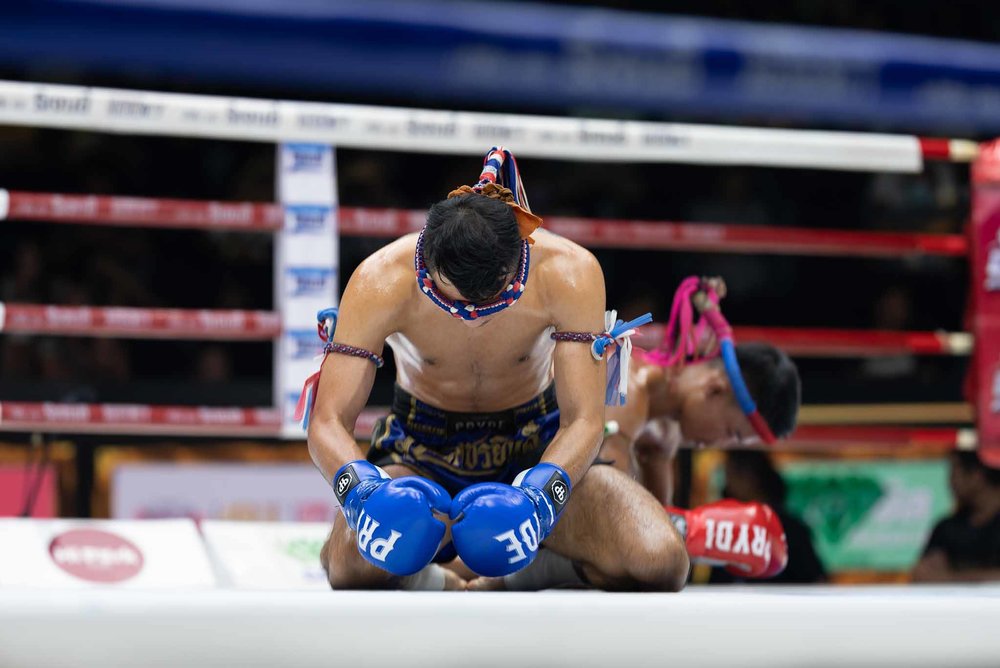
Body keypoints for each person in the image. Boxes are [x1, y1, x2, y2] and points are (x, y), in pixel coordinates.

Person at [303, 147, 689, 592]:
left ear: (518, 258)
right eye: (456, 299)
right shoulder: (381, 279)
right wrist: (363, 491)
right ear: (429, 261)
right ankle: (439, 580)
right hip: (420, 452)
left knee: (660, 560)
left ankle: (522, 574)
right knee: (354, 564)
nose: (472, 316)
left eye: (489, 300)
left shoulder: (569, 272)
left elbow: (584, 419)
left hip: (537, 444)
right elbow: (327, 420)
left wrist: (541, 495)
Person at [599, 276, 801, 578]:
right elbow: (604, 507)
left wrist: (679, 531)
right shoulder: (627, 385)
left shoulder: (663, 434)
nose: (718, 443)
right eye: (731, 432)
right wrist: (699, 531)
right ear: (715, 389)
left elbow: (656, 536)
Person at [708, 451, 826, 584]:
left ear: (751, 477)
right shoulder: (726, 529)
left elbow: (816, 581)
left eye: (732, 474)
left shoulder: (790, 529)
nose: (727, 485)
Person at [912, 451, 1000, 582]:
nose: (950, 483)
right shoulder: (947, 528)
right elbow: (923, 574)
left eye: (954, 473)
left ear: (977, 476)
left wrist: (949, 579)